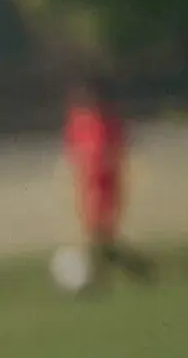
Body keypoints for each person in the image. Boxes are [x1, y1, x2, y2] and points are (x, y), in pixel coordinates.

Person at [64, 81, 154, 285]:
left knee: (102, 235)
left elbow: (117, 150)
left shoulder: (107, 122)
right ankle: (132, 270)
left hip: (107, 185)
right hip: (87, 186)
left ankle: (119, 272)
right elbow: (74, 154)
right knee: (97, 236)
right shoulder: (77, 123)